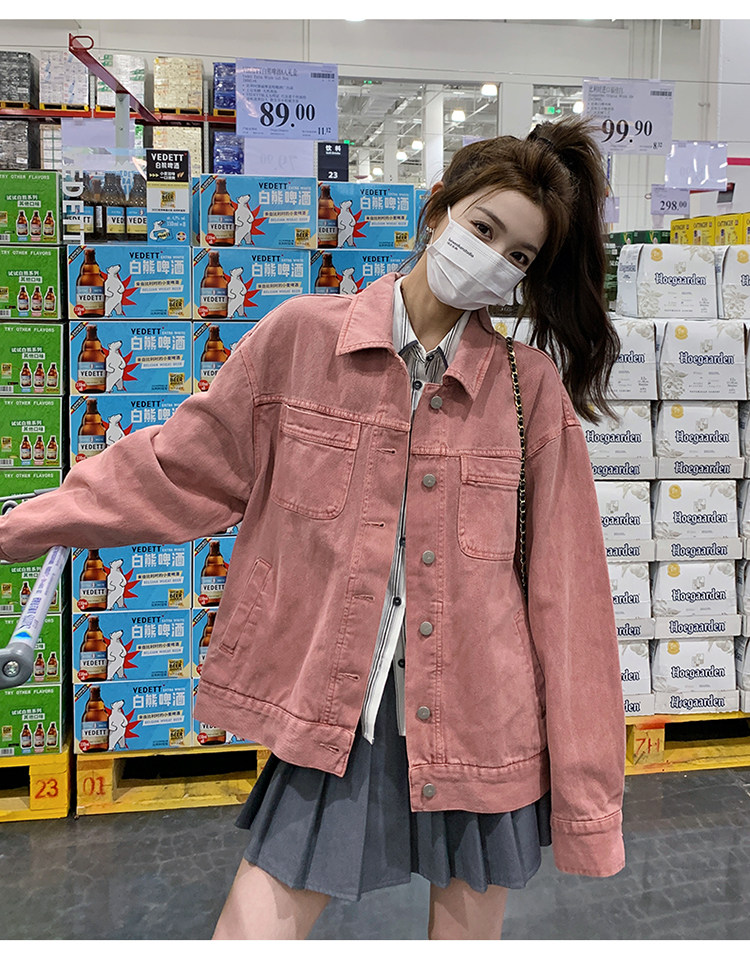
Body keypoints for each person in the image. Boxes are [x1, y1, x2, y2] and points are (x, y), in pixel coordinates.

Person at [0, 116, 625, 941]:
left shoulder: (528, 389)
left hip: (482, 713)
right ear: (438, 207)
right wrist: (31, 521)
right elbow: (179, 467)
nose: (492, 259)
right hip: (338, 703)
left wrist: (588, 799)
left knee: (466, 944)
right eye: (483, 229)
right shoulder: (302, 340)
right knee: (251, 936)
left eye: (518, 256)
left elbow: (571, 602)